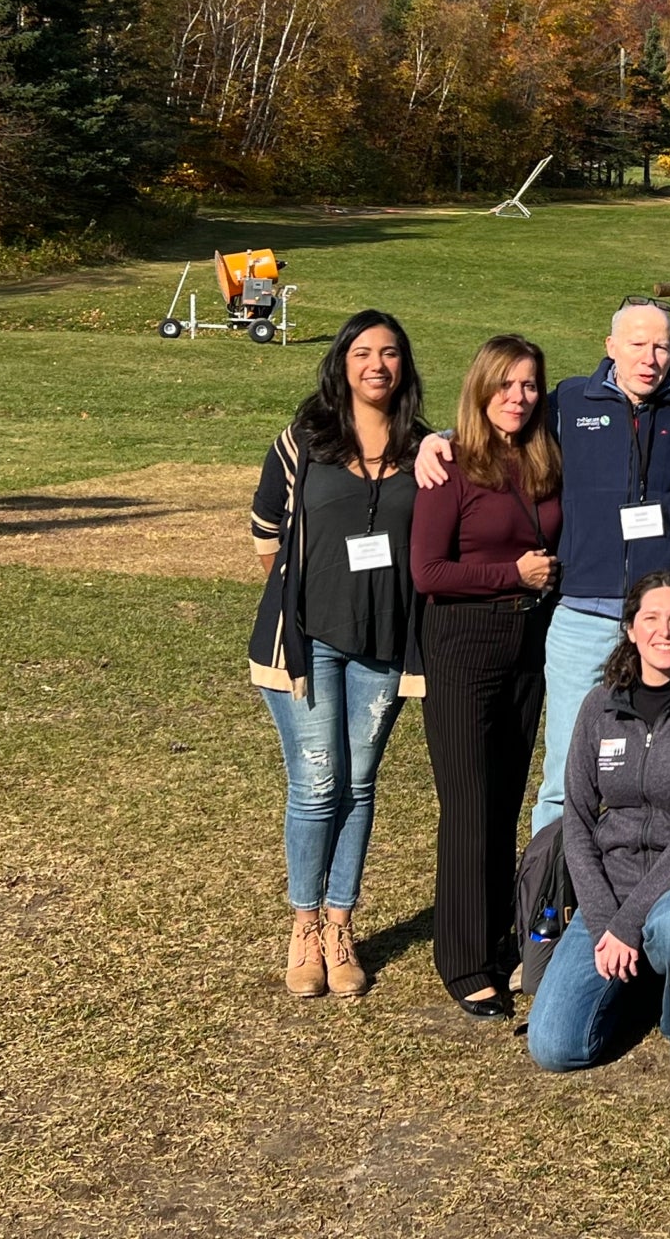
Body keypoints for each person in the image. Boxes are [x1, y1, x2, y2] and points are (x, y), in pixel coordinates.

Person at [414, 293, 670, 830]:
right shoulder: (568, 402)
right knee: (567, 775)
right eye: (637, 344)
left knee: (664, 767)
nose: (649, 358)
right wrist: (438, 439)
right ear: (610, 347)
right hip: (581, 617)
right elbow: (500, 422)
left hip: (660, 624)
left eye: (662, 346)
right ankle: (553, 901)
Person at [246, 309, 427, 1001]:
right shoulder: (303, 443)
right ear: (341, 363)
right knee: (317, 785)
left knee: (359, 786)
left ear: (403, 366)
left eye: (388, 353)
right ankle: (303, 927)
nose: (376, 364)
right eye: (361, 353)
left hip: (383, 645)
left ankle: (342, 926)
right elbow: (267, 532)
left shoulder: (424, 449)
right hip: (306, 645)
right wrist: (311, 595)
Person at [526, 569, 670, 1077]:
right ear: (630, 627)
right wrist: (607, 921)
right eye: (651, 618)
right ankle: (642, 980)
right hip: (613, 890)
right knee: (555, 1048)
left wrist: (630, 923)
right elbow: (578, 821)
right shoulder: (598, 707)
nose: (664, 631)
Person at [411, 334, 563, 1020]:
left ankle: (497, 937)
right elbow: (428, 573)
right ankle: (464, 960)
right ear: (480, 389)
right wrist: (513, 574)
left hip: (528, 641)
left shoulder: (542, 458)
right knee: (469, 804)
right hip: (463, 644)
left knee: (504, 799)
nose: (518, 397)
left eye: (529, 385)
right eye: (505, 385)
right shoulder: (452, 466)